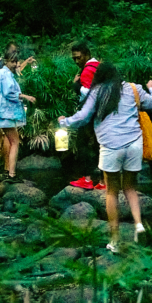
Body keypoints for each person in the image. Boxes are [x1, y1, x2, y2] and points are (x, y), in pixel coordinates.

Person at [58, 62, 152, 252]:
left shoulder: (97, 92)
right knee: (130, 187)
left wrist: (64, 122)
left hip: (111, 146)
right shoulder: (132, 88)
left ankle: (115, 240)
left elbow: (83, 117)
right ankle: (138, 224)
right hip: (133, 145)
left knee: (112, 192)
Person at [0, 48, 36, 182]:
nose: (15, 64)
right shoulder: (5, 74)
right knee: (15, 142)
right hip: (3, 115)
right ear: (7, 61)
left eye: (16, 61)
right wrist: (26, 97)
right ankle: (11, 174)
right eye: (13, 62)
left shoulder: (1, 73)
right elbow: (9, 92)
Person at [67, 40, 105, 190]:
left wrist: (76, 85)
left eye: (78, 57)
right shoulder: (100, 67)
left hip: (91, 114)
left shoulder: (88, 69)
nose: (76, 61)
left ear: (86, 55)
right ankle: (103, 181)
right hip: (103, 114)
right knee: (100, 145)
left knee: (83, 144)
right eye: (74, 58)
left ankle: (87, 179)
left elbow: (90, 94)